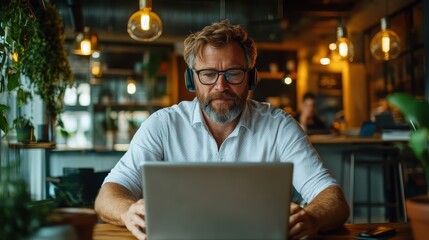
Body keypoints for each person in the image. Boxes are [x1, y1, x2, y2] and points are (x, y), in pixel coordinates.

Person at [95, 20, 349, 240]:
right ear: (191, 79)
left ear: (251, 77)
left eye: (233, 73)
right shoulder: (162, 125)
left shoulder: (280, 126)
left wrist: (312, 218)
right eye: (208, 74)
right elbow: (107, 196)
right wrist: (127, 210)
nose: (220, 85)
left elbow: (333, 199)